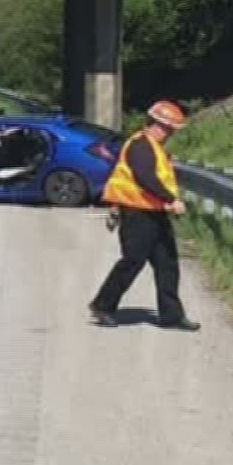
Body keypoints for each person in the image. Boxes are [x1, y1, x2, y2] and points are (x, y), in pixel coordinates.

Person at [88, 100, 199, 332]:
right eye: (168, 129)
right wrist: (171, 199)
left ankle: (172, 316)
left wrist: (165, 203)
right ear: (156, 125)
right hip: (137, 215)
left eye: (172, 131)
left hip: (154, 214)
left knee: (167, 264)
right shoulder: (141, 146)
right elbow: (145, 178)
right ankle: (103, 306)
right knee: (132, 262)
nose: (169, 134)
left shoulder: (155, 147)